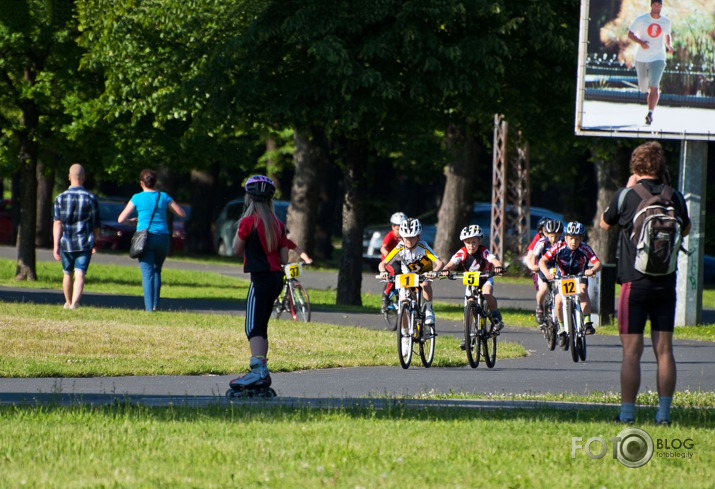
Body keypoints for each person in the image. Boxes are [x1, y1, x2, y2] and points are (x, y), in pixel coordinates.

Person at [600, 141, 690, 425]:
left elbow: (605, 223)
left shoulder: (626, 195)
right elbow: (685, 227)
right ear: (661, 168)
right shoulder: (673, 196)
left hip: (633, 285)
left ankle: (627, 414)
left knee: (631, 352)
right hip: (665, 285)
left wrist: (630, 186)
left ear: (636, 167)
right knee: (664, 351)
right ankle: (663, 415)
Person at [228, 175, 291, 392]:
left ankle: (257, 370)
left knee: (252, 325)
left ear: (248, 197)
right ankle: (262, 370)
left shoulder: (248, 222)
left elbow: (236, 250)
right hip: (276, 279)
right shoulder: (278, 224)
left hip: (260, 277)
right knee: (262, 325)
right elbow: (284, 259)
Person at [118, 169, 186, 312]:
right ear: (155, 182)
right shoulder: (164, 196)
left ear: (141, 183)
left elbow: (121, 219)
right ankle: (156, 305)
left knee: (147, 273)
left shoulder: (137, 197)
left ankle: (149, 309)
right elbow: (181, 213)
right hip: (163, 238)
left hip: (145, 238)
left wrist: (132, 222)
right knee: (157, 271)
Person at [539, 221, 602, 347]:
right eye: (571, 239)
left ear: (581, 239)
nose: (573, 242)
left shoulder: (585, 248)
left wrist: (592, 270)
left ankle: (587, 321)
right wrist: (547, 273)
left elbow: (597, 263)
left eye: (577, 239)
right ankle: (562, 327)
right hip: (562, 276)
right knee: (558, 301)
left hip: (579, 274)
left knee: (583, 291)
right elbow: (543, 261)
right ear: (566, 238)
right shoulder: (558, 247)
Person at [440, 225, 505, 345]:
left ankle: (496, 317)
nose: (471, 245)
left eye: (474, 242)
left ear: (479, 241)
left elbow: (493, 259)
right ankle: (467, 335)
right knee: (468, 309)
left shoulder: (483, 251)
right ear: (464, 243)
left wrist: (498, 266)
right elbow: (451, 263)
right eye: (468, 242)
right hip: (471, 282)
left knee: (486, 293)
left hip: (485, 279)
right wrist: (446, 269)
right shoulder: (462, 252)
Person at [378, 217, 443, 326]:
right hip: (407, 276)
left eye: (412, 237)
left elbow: (440, 262)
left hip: (424, 274)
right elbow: (383, 263)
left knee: (426, 284)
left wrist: (435, 271)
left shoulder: (423, 246)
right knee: (403, 303)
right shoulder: (400, 247)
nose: (408, 241)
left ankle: (428, 310)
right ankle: (404, 333)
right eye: (405, 237)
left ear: (418, 236)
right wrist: (383, 272)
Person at [52, 164, 100, 309]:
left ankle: (67, 301)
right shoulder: (91, 198)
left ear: (69, 177)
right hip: (85, 242)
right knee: (80, 273)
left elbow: (57, 223)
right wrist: (95, 241)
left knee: (67, 273)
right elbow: (96, 224)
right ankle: (75, 303)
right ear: (83, 178)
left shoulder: (60, 198)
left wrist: (56, 245)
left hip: (66, 242)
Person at [628, 0, 673, 126]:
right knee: (644, 88)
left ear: (661, 6)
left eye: (659, 5)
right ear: (651, 5)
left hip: (658, 57)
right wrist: (641, 42)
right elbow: (630, 34)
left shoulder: (666, 21)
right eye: (655, 4)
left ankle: (650, 113)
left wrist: (668, 45)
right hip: (641, 58)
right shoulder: (641, 19)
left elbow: (666, 35)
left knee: (654, 86)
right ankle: (649, 96)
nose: (657, 7)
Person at [527, 219, 563, 325]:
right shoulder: (542, 242)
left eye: (556, 236)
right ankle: (539, 306)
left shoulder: (563, 242)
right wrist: (534, 266)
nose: (554, 239)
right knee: (544, 289)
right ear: (546, 233)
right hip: (544, 268)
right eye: (551, 236)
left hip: (558, 269)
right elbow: (534, 256)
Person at [380, 211, 407, 311]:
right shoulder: (390, 236)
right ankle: (386, 295)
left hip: (401, 259)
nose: (400, 232)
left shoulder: (405, 237)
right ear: (392, 227)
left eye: (402, 229)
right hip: (389, 260)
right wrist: (387, 254)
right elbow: (383, 247)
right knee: (394, 272)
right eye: (398, 229)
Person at [525, 217, 551, 290]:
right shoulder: (539, 238)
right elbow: (529, 257)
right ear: (540, 231)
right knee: (543, 288)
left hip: (552, 266)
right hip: (538, 267)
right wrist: (532, 267)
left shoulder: (556, 238)